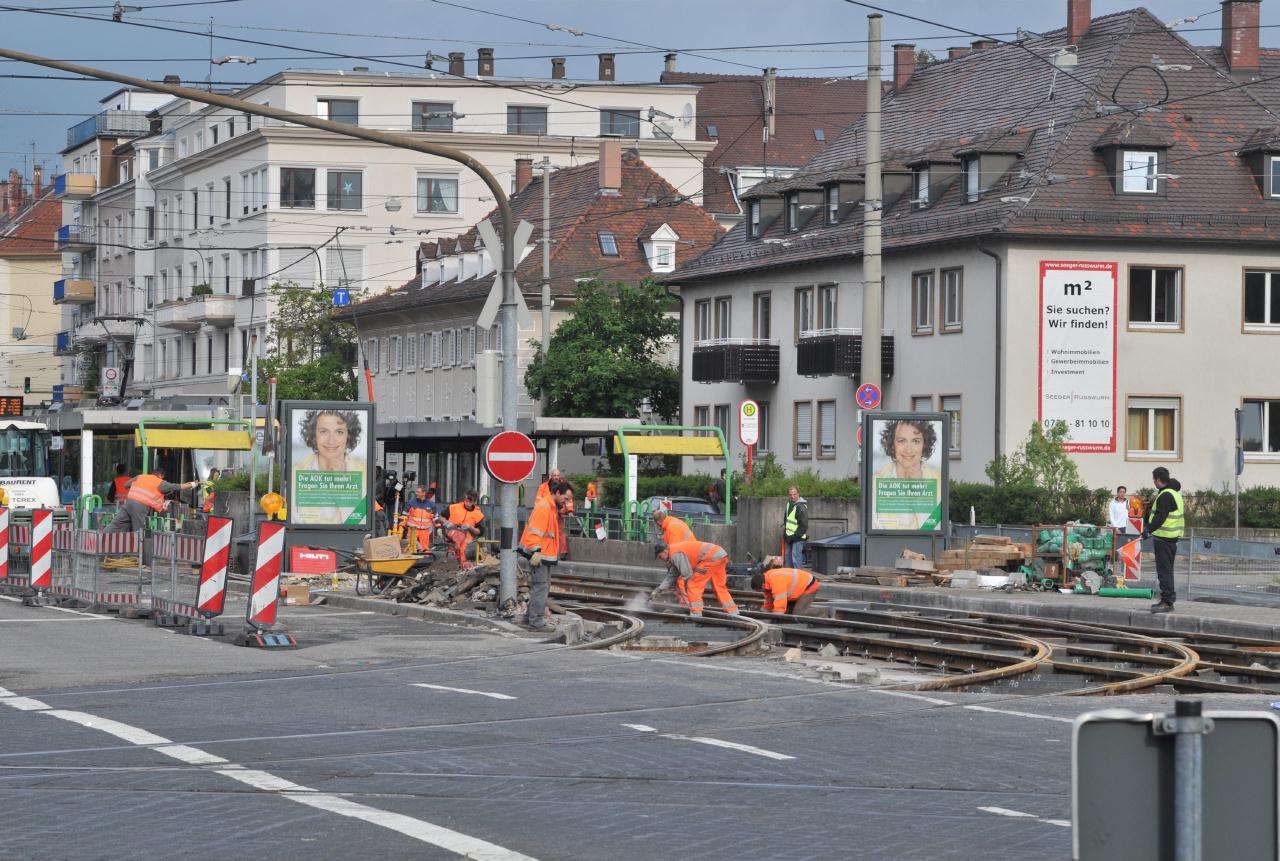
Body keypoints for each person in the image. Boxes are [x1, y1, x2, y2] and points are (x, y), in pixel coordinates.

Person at [293, 409, 368, 525]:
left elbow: (358, 521)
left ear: (348, 436)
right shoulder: (297, 471)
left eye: (339, 432)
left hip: (348, 542)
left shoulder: (363, 471)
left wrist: (342, 482)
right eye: (323, 431)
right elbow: (294, 519)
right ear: (313, 435)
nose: (331, 441)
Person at [519, 479, 572, 630]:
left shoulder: (550, 507)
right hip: (539, 555)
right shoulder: (544, 508)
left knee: (542, 587)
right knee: (541, 587)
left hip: (543, 555)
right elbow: (534, 533)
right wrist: (536, 551)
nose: (567, 502)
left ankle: (529, 618)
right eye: (565, 498)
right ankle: (536, 622)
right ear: (557, 493)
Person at [873, 419, 943, 529]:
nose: (908, 450)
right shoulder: (877, 481)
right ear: (892, 445)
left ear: (924, 445)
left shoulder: (939, 481)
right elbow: (876, 526)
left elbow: (934, 526)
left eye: (916, 441)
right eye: (901, 441)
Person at [653, 539, 739, 617]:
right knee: (719, 587)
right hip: (720, 554)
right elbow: (672, 575)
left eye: (660, 557)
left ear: (665, 552)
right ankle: (733, 612)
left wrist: (686, 589)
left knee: (693, 585)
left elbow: (687, 574)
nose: (661, 559)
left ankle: (696, 614)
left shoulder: (675, 554)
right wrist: (659, 589)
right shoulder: (674, 552)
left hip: (709, 559)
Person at [104, 466, 198, 533]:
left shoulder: (140, 477)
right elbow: (178, 487)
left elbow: (126, 485)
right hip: (140, 507)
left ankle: (100, 539)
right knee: (138, 531)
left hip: (128, 503)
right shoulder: (161, 482)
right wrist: (193, 484)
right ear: (161, 475)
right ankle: (137, 555)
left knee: (116, 524)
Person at [1144, 467, 1184, 614]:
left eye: (1154, 479)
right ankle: (1167, 600)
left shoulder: (1165, 495)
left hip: (1164, 539)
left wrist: (1148, 530)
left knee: (1164, 571)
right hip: (1171, 538)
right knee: (1167, 570)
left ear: (1158, 480)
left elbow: (1160, 517)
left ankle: (1167, 601)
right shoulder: (1174, 493)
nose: (1153, 482)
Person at [752, 556, 821, 615]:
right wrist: (764, 611)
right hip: (800, 588)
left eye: (760, 590)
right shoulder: (767, 581)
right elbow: (769, 600)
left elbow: (780, 602)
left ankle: (827, 612)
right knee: (788, 612)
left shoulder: (776, 580)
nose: (761, 592)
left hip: (809, 586)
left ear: (763, 585)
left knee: (799, 612)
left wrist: (776, 616)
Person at [445, 490, 485, 563]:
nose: (468, 503)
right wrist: (446, 522)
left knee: (464, 553)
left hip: (466, 539)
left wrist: (469, 527)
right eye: (466, 501)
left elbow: (480, 532)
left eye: (470, 502)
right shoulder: (454, 507)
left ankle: (463, 568)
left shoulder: (478, 514)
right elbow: (441, 516)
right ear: (464, 499)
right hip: (451, 534)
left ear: (474, 502)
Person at [402, 484, 438, 552]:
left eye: (418, 492)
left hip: (425, 532)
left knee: (425, 550)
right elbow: (404, 516)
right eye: (416, 491)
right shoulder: (411, 503)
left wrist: (439, 528)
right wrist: (403, 526)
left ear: (424, 493)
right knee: (411, 549)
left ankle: (424, 562)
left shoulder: (431, 504)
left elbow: (435, 517)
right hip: (412, 531)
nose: (416, 493)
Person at [783, 485, 808, 569]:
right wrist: (785, 534)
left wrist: (795, 536)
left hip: (797, 538)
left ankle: (798, 580)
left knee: (796, 560)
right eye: (790, 494)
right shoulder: (789, 504)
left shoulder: (800, 506)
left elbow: (804, 525)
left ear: (798, 494)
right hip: (789, 537)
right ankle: (788, 578)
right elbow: (786, 520)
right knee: (788, 560)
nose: (792, 496)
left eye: (794, 494)